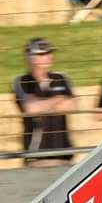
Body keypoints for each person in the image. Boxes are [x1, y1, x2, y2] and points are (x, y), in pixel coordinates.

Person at [12, 38, 76, 166]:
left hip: (63, 154)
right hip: (37, 157)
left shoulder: (61, 77)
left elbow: (73, 106)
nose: (49, 56)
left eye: (49, 53)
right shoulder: (22, 81)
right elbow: (31, 108)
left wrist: (42, 105)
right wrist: (58, 99)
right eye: (42, 54)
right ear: (31, 58)